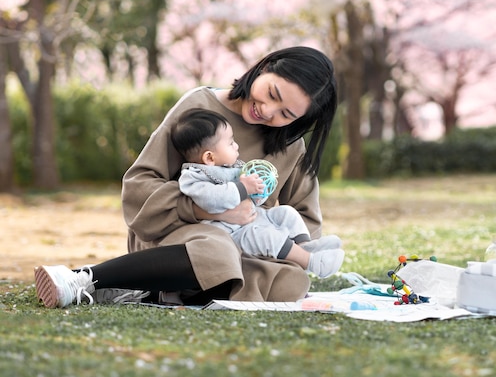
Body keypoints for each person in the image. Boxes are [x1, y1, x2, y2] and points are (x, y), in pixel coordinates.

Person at [34, 46, 341, 308]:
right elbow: (140, 184)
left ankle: (154, 291)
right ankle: (83, 279)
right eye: (272, 94)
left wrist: (265, 229)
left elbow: (304, 218)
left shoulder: (290, 146)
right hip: (177, 234)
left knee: (290, 282)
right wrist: (204, 209)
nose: (269, 110)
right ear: (263, 68)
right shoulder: (200, 107)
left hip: (246, 248)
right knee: (217, 250)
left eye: (286, 114)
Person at [171, 107, 344, 278]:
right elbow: (211, 200)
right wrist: (243, 187)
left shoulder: (233, 168)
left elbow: (252, 201)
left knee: (286, 213)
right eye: (231, 143)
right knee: (265, 236)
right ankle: (310, 262)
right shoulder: (193, 176)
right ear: (209, 157)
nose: (236, 146)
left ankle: (305, 246)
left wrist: (258, 192)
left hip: (252, 219)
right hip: (230, 236)